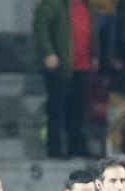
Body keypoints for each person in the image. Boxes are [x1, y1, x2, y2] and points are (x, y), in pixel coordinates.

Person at [33, 0, 99, 158]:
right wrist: (48, 52)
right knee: (57, 109)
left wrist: (94, 54)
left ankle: (76, 146)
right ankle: (55, 149)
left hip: (82, 66)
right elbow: (41, 28)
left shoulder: (87, 5)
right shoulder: (52, 4)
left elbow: (92, 32)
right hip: (60, 66)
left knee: (77, 109)